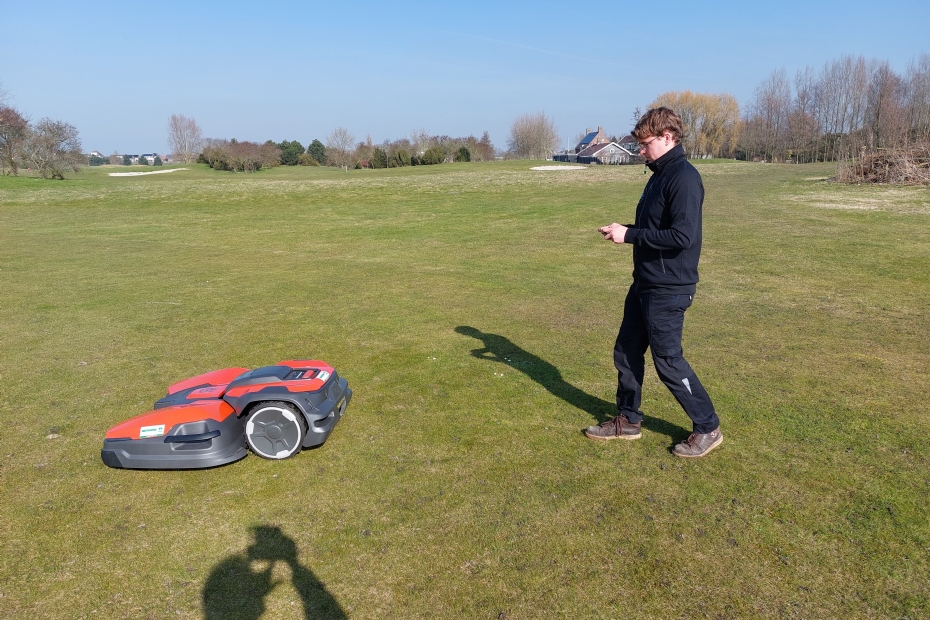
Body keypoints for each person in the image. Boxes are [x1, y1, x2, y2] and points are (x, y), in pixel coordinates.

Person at [585, 107, 722, 458]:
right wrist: (625, 229)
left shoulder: (684, 178)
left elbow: (681, 236)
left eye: (646, 144)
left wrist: (630, 235)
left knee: (668, 360)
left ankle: (708, 426)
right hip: (644, 283)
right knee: (626, 351)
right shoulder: (658, 175)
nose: (641, 151)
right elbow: (656, 227)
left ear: (667, 137)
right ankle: (628, 419)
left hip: (669, 288)